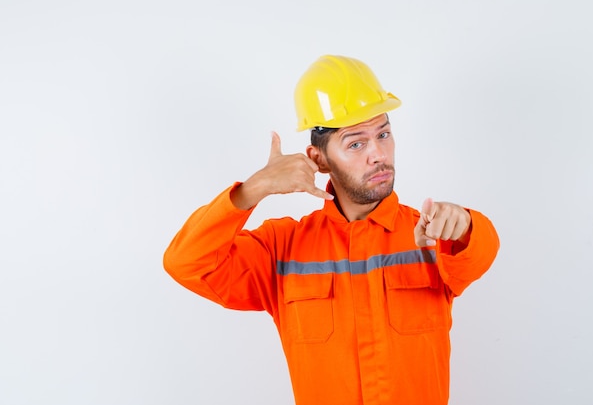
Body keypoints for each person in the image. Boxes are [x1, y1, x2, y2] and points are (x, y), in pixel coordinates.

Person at [164, 55, 500, 405]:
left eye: (383, 134)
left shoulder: (431, 235)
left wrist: (465, 224)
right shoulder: (281, 251)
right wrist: (253, 189)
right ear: (319, 159)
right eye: (356, 143)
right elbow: (187, 263)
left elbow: (480, 251)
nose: (378, 154)